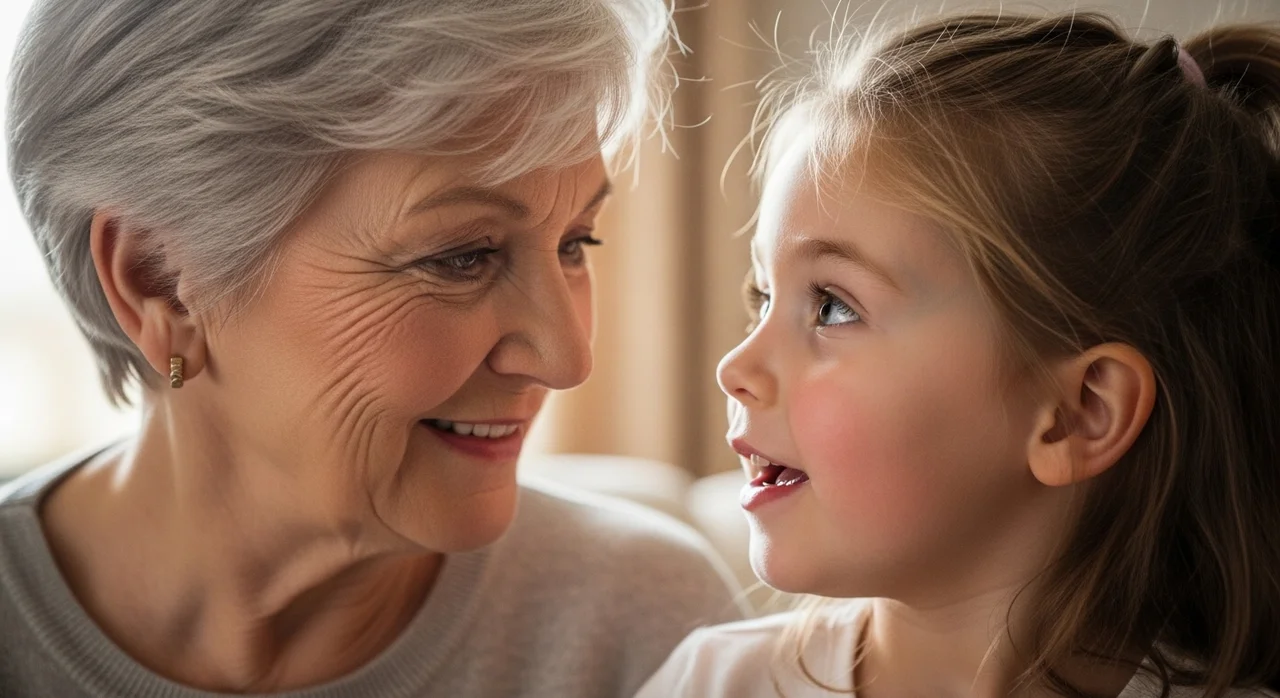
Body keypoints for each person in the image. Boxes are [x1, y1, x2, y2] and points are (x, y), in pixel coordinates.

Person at [0, 1, 746, 696]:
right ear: (157, 283)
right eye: (462, 256)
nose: (567, 358)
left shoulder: (651, 634)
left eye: (576, 243)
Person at [637, 10, 1280, 698]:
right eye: (762, 296)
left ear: (1079, 413)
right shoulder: (709, 683)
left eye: (832, 306)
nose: (733, 368)